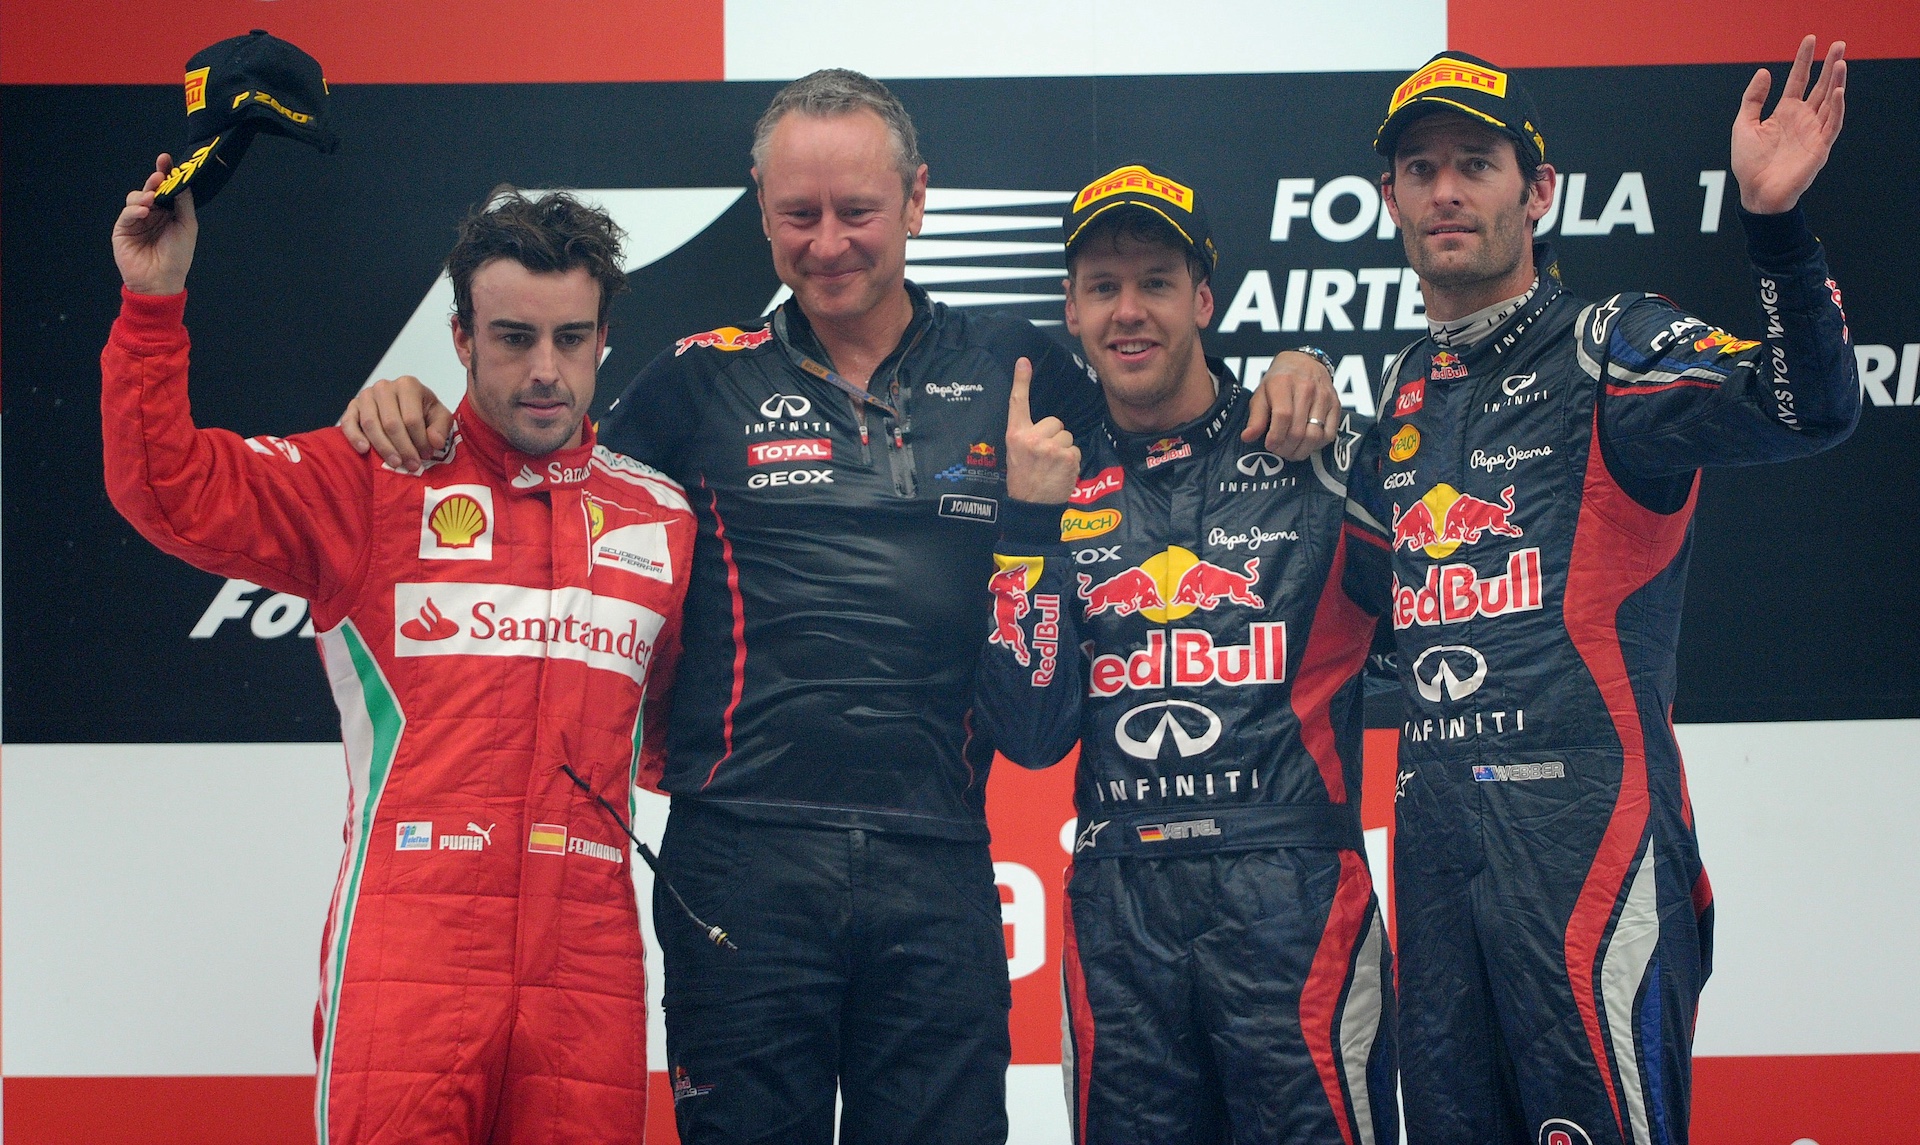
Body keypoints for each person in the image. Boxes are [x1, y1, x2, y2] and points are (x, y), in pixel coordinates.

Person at [336, 71, 1343, 1143]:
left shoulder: (1023, 365)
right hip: (741, 867)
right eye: (798, 215)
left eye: (856, 212)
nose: (828, 244)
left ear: (915, 201)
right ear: (761, 209)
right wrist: (416, 412)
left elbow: (1163, 409)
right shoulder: (693, 381)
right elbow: (539, 465)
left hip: (943, 862)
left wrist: (1295, 369)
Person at [104, 164, 695, 1144]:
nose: (545, 367)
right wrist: (152, 304)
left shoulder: (661, 518)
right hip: (412, 949)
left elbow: (686, 738)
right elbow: (166, 486)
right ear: (461, 338)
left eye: (570, 337)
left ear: (604, 339)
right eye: (513, 337)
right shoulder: (373, 475)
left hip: (588, 960)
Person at [1343, 39, 1857, 1145]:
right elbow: (1389, 633)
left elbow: (1808, 406)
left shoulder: (1611, 346)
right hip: (1435, 847)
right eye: (1420, 166)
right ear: (1388, 197)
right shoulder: (1400, 396)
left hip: (1587, 840)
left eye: (1474, 162)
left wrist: (1774, 227)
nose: (1444, 189)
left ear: (1538, 191)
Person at [975, 164, 1395, 1144]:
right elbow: (1031, 734)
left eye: (1157, 281)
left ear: (1203, 299)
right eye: (1103, 287)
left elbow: (1459, 602)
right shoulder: (1052, 477)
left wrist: (1312, 360)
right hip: (1120, 897)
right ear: (1071, 312)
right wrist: (1028, 530)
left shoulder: (1315, 448)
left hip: (1293, 885)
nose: (1131, 311)